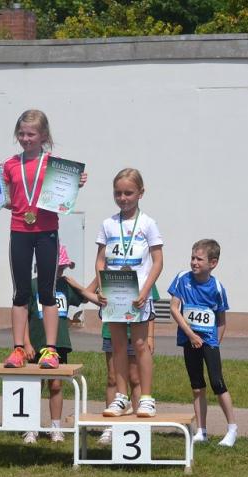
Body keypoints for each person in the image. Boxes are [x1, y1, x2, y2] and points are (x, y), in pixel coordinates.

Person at [0, 109, 87, 370]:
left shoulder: (55, 165)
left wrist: (75, 182)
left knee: (47, 291)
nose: (25, 138)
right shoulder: (10, 165)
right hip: (20, 229)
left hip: (47, 231)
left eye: (31, 134)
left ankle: (51, 350)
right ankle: (18, 349)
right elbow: (7, 200)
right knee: (20, 291)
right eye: (21, 134)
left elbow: (63, 195)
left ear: (43, 135)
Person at [96, 168, 163, 417]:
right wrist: (101, 288)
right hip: (114, 293)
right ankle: (121, 397)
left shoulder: (148, 223)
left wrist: (145, 291)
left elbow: (158, 261)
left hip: (138, 296)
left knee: (140, 345)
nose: (123, 198)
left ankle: (146, 398)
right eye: (118, 193)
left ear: (140, 193)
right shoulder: (108, 224)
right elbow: (100, 261)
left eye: (128, 193)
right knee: (118, 346)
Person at [23, 245, 99, 443]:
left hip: (59, 345)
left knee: (56, 385)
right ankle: (31, 427)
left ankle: (55, 427)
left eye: (63, 268)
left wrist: (98, 276)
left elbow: (85, 296)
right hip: (36, 343)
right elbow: (23, 316)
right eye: (58, 267)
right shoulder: (32, 286)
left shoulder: (65, 286)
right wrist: (26, 343)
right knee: (34, 386)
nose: (61, 271)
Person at [168, 239, 238, 447]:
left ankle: (232, 428)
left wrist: (215, 343)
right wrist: (190, 334)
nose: (194, 262)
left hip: (208, 341)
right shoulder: (182, 279)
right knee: (197, 386)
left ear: (213, 263)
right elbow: (174, 308)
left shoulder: (217, 287)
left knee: (217, 383)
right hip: (189, 339)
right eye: (192, 258)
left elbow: (221, 320)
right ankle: (201, 430)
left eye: (199, 259)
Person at [95, 284, 159, 444]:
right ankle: (111, 425)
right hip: (114, 323)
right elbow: (91, 291)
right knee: (112, 378)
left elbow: (150, 304)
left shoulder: (143, 275)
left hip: (137, 325)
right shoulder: (110, 275)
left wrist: (150, 336)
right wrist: (99, 294)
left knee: (136, 378)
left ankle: (139, 424)